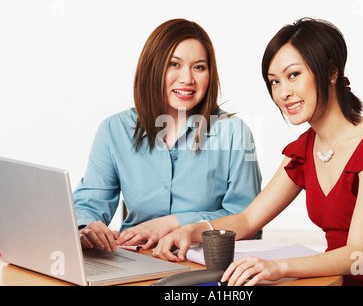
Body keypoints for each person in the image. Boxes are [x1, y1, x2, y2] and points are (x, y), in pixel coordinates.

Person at [153, 18, 363, 286]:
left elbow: (358, 257)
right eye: (274, 82)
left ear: (331, 72)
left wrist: (277, 267)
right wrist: (192, 230)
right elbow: (248, 219)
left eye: (293, 75)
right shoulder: (304, 149)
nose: (283, 93)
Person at [73, 19, 262, 254]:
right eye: (174, 64)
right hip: (132, 255)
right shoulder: (114, 130)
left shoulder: (234, 132)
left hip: (199, 260)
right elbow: (90, 200)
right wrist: (86, 228)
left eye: (199, 67)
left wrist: (173, 223)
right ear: (153, 67)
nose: (187, 79)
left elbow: (247, 219)